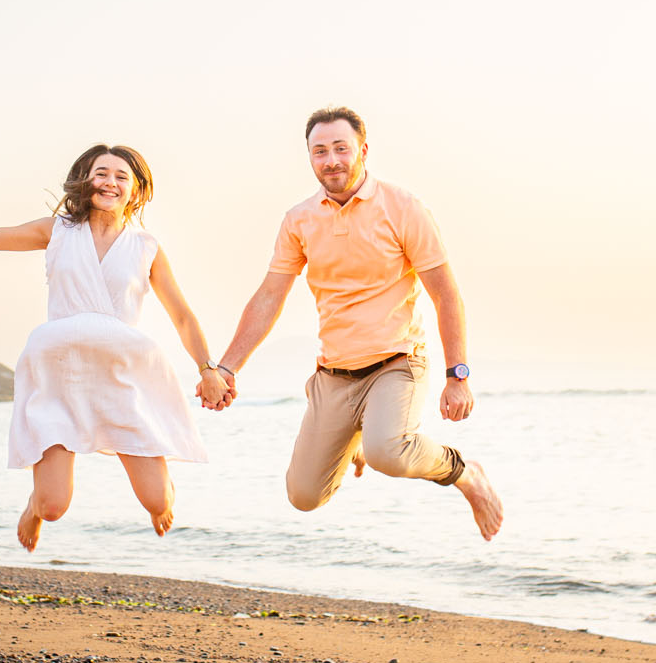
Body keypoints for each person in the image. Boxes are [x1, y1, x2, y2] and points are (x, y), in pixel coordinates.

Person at [0, 144, 229, 552]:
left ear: (136, 190)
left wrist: (207, 369)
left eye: (121, 176)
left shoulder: (146, 247)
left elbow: (182, 316)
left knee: (158, 501)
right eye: (101, 173)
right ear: (85, 180)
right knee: (54, 507)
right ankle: (34, 508)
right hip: (59, 374)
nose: (110, 182)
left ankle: (159, 497)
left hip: (120, 376)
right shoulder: (58, 231)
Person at [206, 107, 505, 540]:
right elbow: (269, 297)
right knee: (304, 496)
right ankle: (360, 437)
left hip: (397, 362)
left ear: (363, 150)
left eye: (341, 149)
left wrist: (457, 376)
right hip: (335, 373)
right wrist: (226, 368)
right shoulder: (299, 220)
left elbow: (446, 294)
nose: (331, 160)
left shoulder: (403, 207)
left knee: (390, 453)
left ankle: (465, 473)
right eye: (320, 151)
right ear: (310, 157)